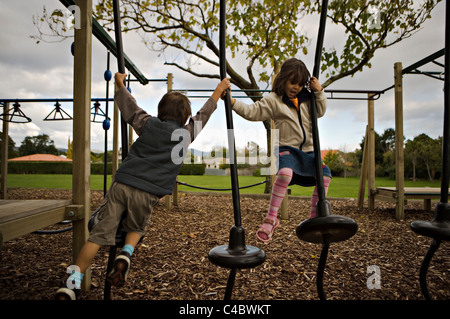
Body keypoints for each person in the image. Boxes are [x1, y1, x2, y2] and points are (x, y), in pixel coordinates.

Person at [55, 73, 231, 300]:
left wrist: (120, 83)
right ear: (186, 116)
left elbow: (130, 107)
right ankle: (126, 254)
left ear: (160, 112)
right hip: (148, 192)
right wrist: (218, 90)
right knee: (136, 228)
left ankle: (70, 285)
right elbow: (204, 114)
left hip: (123, 183)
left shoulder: (148, 123)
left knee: (96, 237)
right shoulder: (186, 134)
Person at [229, 58, 330, 243]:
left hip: (309, 151)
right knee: (284, 174)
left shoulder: (309, 99)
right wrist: (233, 102)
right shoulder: (274, 100)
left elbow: (321, 111)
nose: (296, 87)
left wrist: (319, 91)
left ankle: (314, 218)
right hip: (287, 149)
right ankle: (271, 218)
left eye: (300, 84)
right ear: (283, 79)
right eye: (292, 82)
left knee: (325, 176)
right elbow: (253, 112)